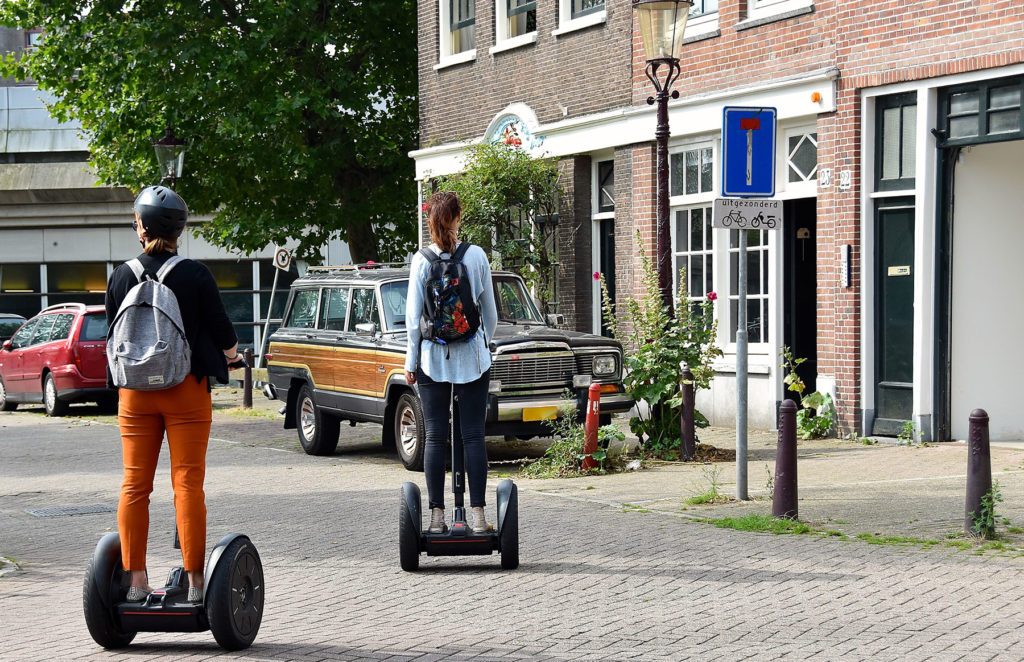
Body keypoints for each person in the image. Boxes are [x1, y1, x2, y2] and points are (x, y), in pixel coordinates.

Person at [105, 185, 243, 603]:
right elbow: (223, 332)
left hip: (134, 395)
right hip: (185, 389)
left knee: (134, 486)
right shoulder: (196, 273)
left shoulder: (121, 274)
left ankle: (135, 583)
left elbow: (113, 332)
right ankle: (197, 583)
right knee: (187, 485)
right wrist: (233, 357)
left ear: (143, 226)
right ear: (178, 230)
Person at [405, 191, 498, 534]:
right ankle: (477, 518)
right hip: (472, 360)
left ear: (430, 221)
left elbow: (413, 319)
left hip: (432, 360)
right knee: (473, 436)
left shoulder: (420, 260)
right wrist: (483, 344)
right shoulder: (476, 256)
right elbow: (491, 313)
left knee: (434, 437)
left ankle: (436, 518)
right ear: (459, 217)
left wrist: (411, 361)